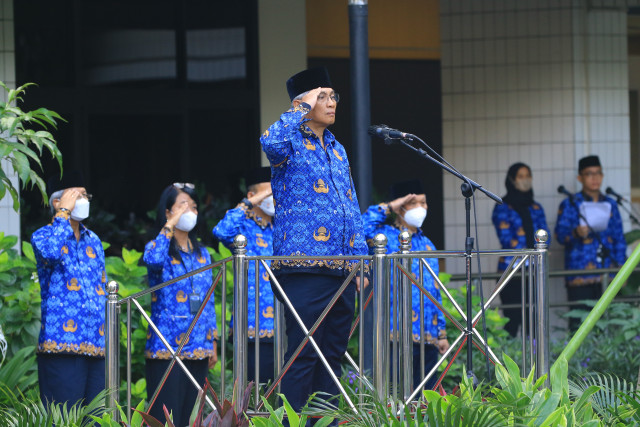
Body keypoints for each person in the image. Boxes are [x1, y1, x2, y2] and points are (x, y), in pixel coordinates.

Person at [260, 66, 369, 413]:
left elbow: (350, 206)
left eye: (332, 95)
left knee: (333, 354)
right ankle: (290, 422)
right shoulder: (289, 140)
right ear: (303, 102)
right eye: (322, 96)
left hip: (341, 268)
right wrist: (298, 109)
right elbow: (268, 142)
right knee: (304, 353)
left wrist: (360, 261)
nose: (331, 102)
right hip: (303, 266)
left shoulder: (338, 148)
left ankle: (325, 421)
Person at [362, 180, 449, 390]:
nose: (422, 208)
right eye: (414, 203)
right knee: (398, 395)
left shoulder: (428, 244)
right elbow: (362, 224)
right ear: (401, 207)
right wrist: (391, 205)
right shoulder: (385, 237)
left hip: (428, 336)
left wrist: (441, 334)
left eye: (424, 203)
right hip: (397, 335)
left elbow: (435, 292)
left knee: (426, 398)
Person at [143, 183, 218, 426]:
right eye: (182, 205)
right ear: (167, 212)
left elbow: (209, 299)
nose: (190, 211)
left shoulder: (203, 254)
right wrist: (169, 226)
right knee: (165, 416)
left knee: (188, 415)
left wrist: (212, 341)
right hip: (167, 347)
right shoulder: (159, 249)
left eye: (193, 206)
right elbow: (151, 260)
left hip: (198, 345)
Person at [31, 173, 107, 407]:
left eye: (86, 195)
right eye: (77, 195)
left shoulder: (93, 239)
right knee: (63, 418)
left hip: (96, 345)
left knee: (96, 420)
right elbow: (52, 253)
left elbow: (101, 287)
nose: (83, 200)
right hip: (61, 345)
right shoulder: (43, 236)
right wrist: (63, 213)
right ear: (57, 202)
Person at [212, 167, 275, 386]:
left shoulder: (281, 227)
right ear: (252, 195)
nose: (274, 198)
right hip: (251, 325)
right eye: (269, 193)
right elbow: (221, 231)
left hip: (284, 324)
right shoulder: (243, 226)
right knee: (253, 394)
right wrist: (248, 204)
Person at [555, 155, 627, 330]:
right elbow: (560, 235)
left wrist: (621, 269)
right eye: (589, 174)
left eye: (598, 173)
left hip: (607, 274)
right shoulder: (570, 203)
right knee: (579, 325)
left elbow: (619, 238)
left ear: (602, 176)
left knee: (609, 323)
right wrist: (576, 233)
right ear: (580, 178)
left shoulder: (611, 203)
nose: (595, 178)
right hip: (580, 276)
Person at [491, 163, 550, 337]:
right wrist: (533, 249)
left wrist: (543, 247)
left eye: (528, 175)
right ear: (511, 180)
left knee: (534, 321)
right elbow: (506, 239)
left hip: (535, 271)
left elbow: (546, 235)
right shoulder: (502, 206)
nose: (525, 180)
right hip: (512, 271)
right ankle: (509, 360)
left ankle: (533, 360)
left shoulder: (536, 207)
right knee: (512, 319)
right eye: (520, 176)